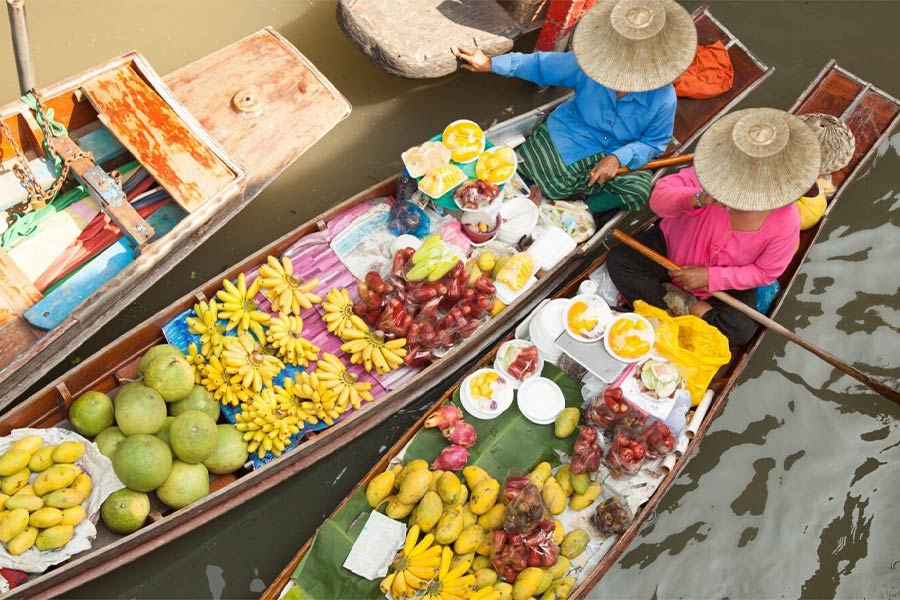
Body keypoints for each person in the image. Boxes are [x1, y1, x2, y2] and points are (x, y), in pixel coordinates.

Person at [455, 0, 697, 215]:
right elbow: (541, 64)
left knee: (637, 191)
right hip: (570, 134)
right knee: (527, 173)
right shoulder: (590, 65)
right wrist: (491, 64)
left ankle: (580, 210)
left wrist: (617, 157)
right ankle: (557, 199)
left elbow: (654, 145)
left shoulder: (664, 98)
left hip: (618, 150)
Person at [607, 107, 822, 345]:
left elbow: (765, 272)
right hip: (669, 251)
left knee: (739, 331)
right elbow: (659, 199)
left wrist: (711, 277)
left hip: (724, 282)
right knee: (620, 260)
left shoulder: (786, 221)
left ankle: (677, 305)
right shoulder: (711, 177)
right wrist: (699, 198)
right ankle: (684, 309)